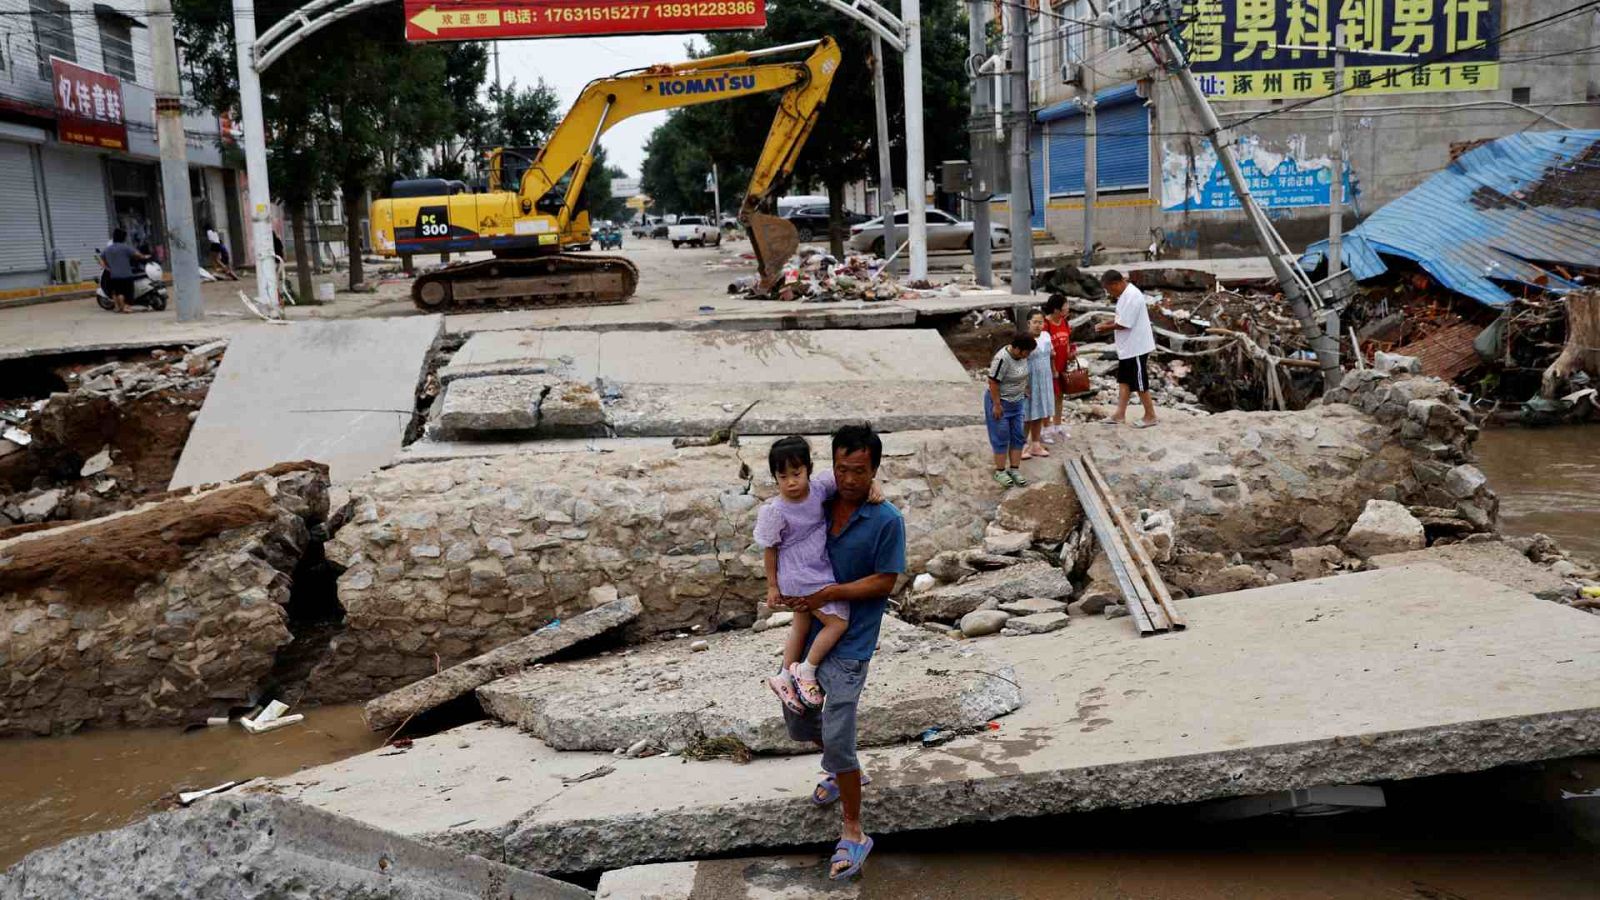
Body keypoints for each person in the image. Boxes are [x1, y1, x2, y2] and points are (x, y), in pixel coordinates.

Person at [773, 423, 905, 881]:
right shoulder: (819, 500)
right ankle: (838, 768)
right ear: (832, 467)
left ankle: (854, 830)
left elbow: (885, 581)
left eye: (861, 471)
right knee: (798, 718)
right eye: (844, 469)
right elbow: (781, 518)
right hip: (809, 630)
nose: (851, 480)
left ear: (875, 470)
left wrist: (832, 590)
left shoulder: (886, 519)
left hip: (852, 640)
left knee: (840, 727)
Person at [756, 435, 883, 711]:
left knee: (801, 624)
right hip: (800, 575)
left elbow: (848, 479)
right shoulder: (775, 511)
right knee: (838, 622)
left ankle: (784, 675)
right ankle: (807, 670)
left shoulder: (819, 488)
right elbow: (769, 549)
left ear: (809, 470)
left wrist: (874, 484)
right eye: (783, 476)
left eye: (796, 474)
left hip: (814, 567)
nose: (791, 482)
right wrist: (772, 587)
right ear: (774, 477)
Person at [1095, 269, 1158, 427]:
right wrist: (1107, 323)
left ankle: (1150, 415)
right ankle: (1119, 414)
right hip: (1127, 347)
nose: (1110, 293)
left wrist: (1105, 328)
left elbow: (1123, 324)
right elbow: (1120, 318)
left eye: (1110, 289)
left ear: (1116, 284)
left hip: (1136, 347)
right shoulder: (1124, 295)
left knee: (1139, 382)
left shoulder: (1132, 296)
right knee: (1124, 380)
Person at [986, 332, 1036, 488]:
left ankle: (1014, 469)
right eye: (1026, 352)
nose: (1027, 356)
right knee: (1001, 436)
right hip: (1002, 403)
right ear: (1017, 349)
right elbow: (993, 382)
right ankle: (1000, 470)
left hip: (1018, 402)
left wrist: (1024, 389)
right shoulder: (1002, 359)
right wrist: (996, 404)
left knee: (1018, 435)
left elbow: (1024, 374)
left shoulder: (1023, 357)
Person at [1040, 293, 1076, 441]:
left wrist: (1070, 354)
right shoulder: (1045, 325)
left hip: (1062, 365)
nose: (1067, 308)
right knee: (1047, 397)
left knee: (1059, 396)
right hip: (1048, 367)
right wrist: (1052, 368)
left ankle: (1057, 425)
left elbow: (1066, 342)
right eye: (1065, 305)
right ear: (1056, 309)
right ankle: (1045, 428)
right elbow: (1044, 348)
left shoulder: (1064, 323)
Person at [1022, 309, 1055, 459]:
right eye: (1035, 322)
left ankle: (1035, 444)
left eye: (1040, 322)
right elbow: (1019, 362)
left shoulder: (1046, 336)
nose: (1037, 325)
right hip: (1030, 380)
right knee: (1027, 415)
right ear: (1029, 323)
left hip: (1045, 379)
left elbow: (1051, 355)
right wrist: (1023, 384)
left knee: (1040, 413)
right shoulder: (1024, 339)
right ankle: (1021, 445)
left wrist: (1054, 371)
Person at [99, 228, 147, 314]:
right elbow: (137, 255)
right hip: (126, 275)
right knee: (128, 292)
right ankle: (126, 307)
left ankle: (121, 307)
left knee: (119, 292)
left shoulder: (107, 249)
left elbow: (101, 259)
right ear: (123, 238)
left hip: (114, 275)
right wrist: (144, 256)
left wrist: (106, 267)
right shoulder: (125, 248)